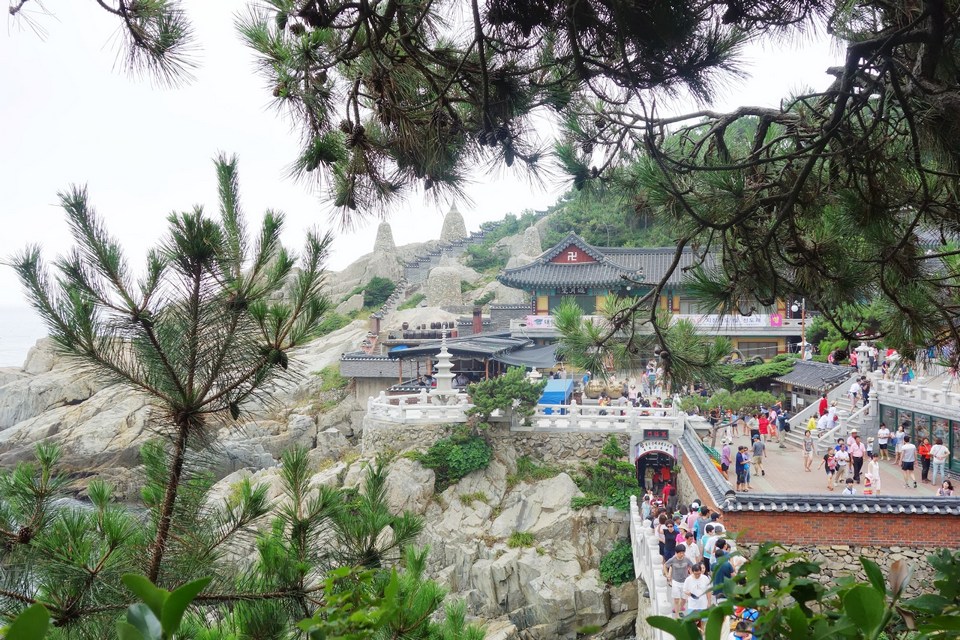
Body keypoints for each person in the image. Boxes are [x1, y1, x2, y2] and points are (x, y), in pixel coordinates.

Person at [664, 544, 694, 616]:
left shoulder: (687, 559)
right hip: (676, 581)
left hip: (685, 581)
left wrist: (692, 575)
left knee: (684, 599)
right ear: (677, 553)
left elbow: (692, 566)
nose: (682, 554)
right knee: (676, 599)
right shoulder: (673, 559)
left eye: (683, 552)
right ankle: (676, 616)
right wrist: (667, 574)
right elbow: (665, 565)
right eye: (680, 553)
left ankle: (679, 609)